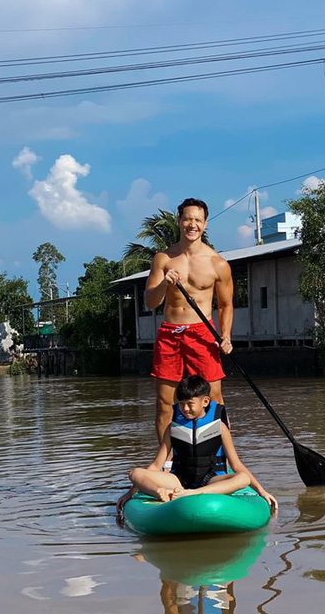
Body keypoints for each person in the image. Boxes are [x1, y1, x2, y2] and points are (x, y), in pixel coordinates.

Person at [117, 375, 277, 517]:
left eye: (190, 403)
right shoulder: (173, 427)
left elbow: (236, 465)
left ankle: (192, 494)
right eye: (181, 404)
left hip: (211, 479)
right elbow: (156, 465)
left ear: (205, 401)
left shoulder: (220, 427)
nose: (185, 409)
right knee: (135, 473)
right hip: (179, 481)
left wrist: (261, 491)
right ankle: (159, 492)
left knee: (243, 478)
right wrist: (131, 492)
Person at [145, 198, 234, 443]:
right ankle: (167, 460)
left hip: (202, 334)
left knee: (214, 398)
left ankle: (222, 459)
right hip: (170, 333)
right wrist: (165, 283)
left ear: (205, 224)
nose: (191, 225)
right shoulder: (163, 259)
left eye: (197, 220)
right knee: (165, 402)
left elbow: (226, 305)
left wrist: (225, 336)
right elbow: (151, 302)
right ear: (179, 221)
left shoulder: (218, 263)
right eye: (187, 219)